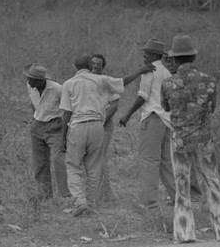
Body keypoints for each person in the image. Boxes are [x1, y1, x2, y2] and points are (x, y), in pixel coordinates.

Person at [161, 35, 220, 243]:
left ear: (174, 59)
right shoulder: (209, 80)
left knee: (182, 185)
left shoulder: (168, 83)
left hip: (179, 141)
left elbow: (166, 107)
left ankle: (184, 234)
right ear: (193, 57)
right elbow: (212, 108)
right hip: (203, 140)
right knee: (213, 182)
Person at [60, 54, 154, 217]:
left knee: (74, 166)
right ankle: (90, 203)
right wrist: (139, 71)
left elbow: (66, 113)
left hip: (78, 126)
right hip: (98, 125)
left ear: (76, 67)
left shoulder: (68, 84)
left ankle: (80, 201)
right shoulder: (101, 80)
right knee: (94, 166)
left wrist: (63, 137)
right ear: (90, 66)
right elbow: (122, 81)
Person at [119, 38, 175, 209]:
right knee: (166, 161)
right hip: (166, 120)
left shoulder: (149, 70)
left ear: (155, 55)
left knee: (148, 160)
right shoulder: (166, 72)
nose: (144, 55)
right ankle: (177, 196)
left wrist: (127, 114)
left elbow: (143, 96)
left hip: (152, 117)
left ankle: (150, 202)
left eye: (147, 52)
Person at [23, 63, 70, 199]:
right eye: (28, 78)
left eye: (32, 79)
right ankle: (44, 194)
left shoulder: (57, 89)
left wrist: (65, 131)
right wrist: (33, 118)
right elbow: (33, 102)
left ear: (41, 80)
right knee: (39, 163)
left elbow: (68, 108)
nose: (28, 81)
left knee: (58, 160)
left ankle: (65, 195)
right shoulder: (30, 86)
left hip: (55, 125)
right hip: (37, 125)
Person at [90, 54, 119, 203]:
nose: (95, 66)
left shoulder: (107, 82)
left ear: (103, 67)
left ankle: (106, 195)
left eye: (99, 64)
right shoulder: (84, 81)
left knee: (99, 158)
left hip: (103, 124)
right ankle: (101, 194)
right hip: (87, 124)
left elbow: (114, 106)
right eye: (93, 63)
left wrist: (101, 122)